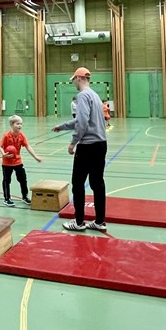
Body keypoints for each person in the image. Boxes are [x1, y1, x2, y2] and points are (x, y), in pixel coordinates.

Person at [53, 67, 108, 232]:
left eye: (74, 80)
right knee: (97, 184)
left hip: (87, 147)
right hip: (100, 144)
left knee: (77, 184)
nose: (74, 84)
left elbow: (82, 122)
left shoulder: (83, 96)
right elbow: (84, 120)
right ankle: (99, 221)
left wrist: (73, 142)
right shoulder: (95, 96)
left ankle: (78, 222)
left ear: (79, 78)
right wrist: (62, 126)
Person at [0, 115, 42, 206]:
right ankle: (7, 198)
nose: (20, 126)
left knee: (23, 179)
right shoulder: (6, 135)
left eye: (21, 124)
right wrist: (3, 154)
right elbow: (0, 146)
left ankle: (25, 196)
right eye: (17, 124)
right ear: (12, 124)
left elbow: (27, 146)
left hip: (18, 162)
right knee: (7, 180)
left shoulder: (21, 136)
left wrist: (35, 156)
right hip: (7, 163)